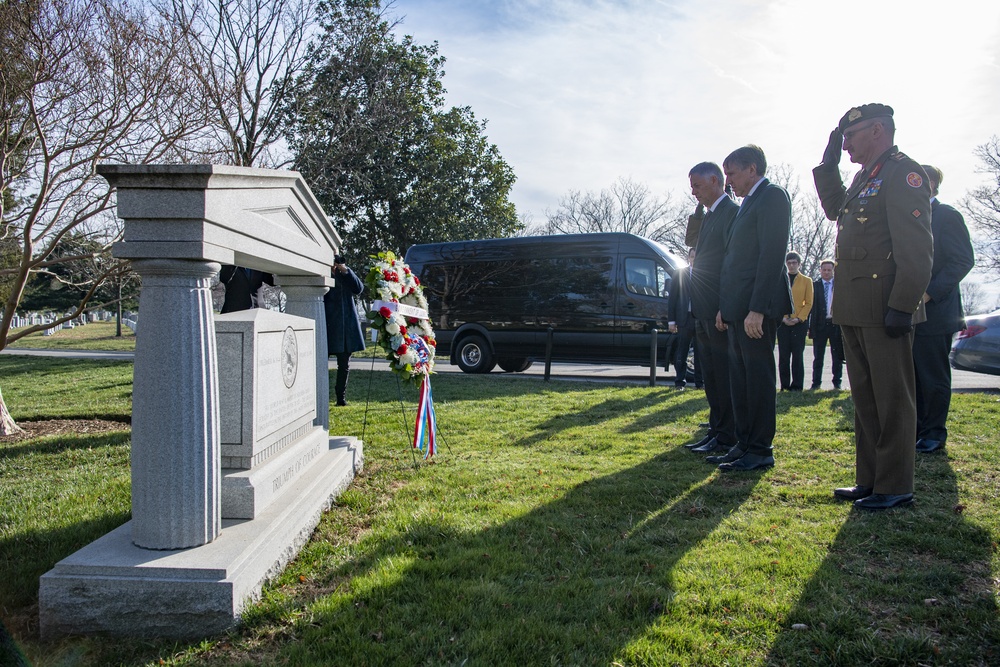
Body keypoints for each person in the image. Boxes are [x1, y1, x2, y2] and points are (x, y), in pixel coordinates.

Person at [813, 103, 933, 510]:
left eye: (850, 136)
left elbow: (916, 249)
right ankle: (870, 479)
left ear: (878, 131)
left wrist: (903, 304)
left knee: (892, 399)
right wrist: (827, 166)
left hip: (885, 307)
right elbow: (834, 211)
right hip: (854, 306)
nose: (844, 144)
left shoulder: (903, 173)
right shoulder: (867, 177)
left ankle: (895, 484)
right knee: (864, 399)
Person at [714, 145, 792, 472]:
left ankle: (760, 449)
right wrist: (725, 307)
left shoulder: (772, 196)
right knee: (740, 381)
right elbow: (734, 261)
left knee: (757, 380)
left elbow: (771, 255)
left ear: (752, 169)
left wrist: (757, 308)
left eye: (731, 173)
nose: (728, 180)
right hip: (737, 308)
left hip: (755, 310)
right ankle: (743, 444)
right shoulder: (746, 205)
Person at [913, 165, 975, 453]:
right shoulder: (908, 217)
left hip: (936, 311)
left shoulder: (947, 216)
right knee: (911, 375)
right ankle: (915, 430)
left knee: (932, 376)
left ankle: (934, 433)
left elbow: (962, 261)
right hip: (906, 311)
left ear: (933, 186)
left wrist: (929, 293)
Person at [686, 162, 739, 456]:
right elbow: (691, 242)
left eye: (697, 186)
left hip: (718, 308)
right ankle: (715, 431)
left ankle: (728, 434)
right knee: (710, 377)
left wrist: (725, 306)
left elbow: (732, 263)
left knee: (723, 375)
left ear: (716, 181)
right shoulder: (708, 215)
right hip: (703, 309)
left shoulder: (731, 212)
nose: (693, 192)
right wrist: (698, 211)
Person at [323, 255, 366, 406]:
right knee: (321, 363)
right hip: (328, 325)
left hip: (345, 326)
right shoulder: (322, 272)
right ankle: (319, 396)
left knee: (344, 365)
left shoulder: (345, 274)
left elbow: (359, 288)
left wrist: (344, 269)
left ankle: (340, 398)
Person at [776, 251, 814, 391]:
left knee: (797, 356)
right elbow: (777, 300)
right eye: (789, 263)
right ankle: (784, 385)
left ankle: (797, 386)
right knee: (783, 355)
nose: (791, 265)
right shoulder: (780, 279)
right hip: (783, 323)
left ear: (799, 264)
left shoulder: (806, 281)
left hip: (799, 323)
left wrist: (799, 318)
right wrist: (784, 318)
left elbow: (809, 303)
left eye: (794, 263)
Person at [667, 247, 700, 390]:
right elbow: (672, 299)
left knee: (700, 353)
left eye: (697, 257)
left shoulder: (705, 275)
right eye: (692, 257)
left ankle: (700, 383)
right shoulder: (679, 274)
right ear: (688, 258)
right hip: (683, 318)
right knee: (682, 351)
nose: (694, 259)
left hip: (700, 318)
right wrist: (671, 321)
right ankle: (680, 382)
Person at [808, 259, 844, 390]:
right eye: (824, 270)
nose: (827, 272)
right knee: (818, 356)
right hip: (820, 325)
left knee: (837, 356)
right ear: (820, 270)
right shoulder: (814, 285)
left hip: (835, 325)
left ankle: (837, 382)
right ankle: (816, 383)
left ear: (833, 271)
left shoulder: (839, 285)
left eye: (829, 270)